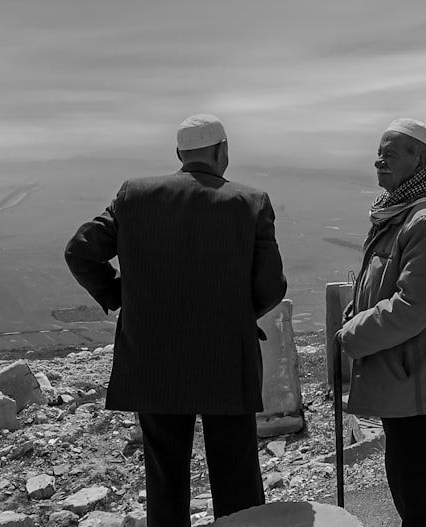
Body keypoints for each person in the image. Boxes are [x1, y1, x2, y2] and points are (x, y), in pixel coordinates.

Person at [64, 114, 287, 525]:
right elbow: (271, 287)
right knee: (236, 473)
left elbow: (80, 251)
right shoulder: (250, 203)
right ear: (222, 152)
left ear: (179, 154)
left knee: (165, 475)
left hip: (153, 357)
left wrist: (121, 296)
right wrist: (233, 315)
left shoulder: (134, 195)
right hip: (226, 357)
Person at [337, 118, 426, 527]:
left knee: (411, 478)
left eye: (391, 154)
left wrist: (353, 333)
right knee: (420, 470)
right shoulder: (406, 213)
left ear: (421, 160)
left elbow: (415, 305)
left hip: (416, 373)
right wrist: (357, 311)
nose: (379, 161)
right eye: (379, 153)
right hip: (412, 369)